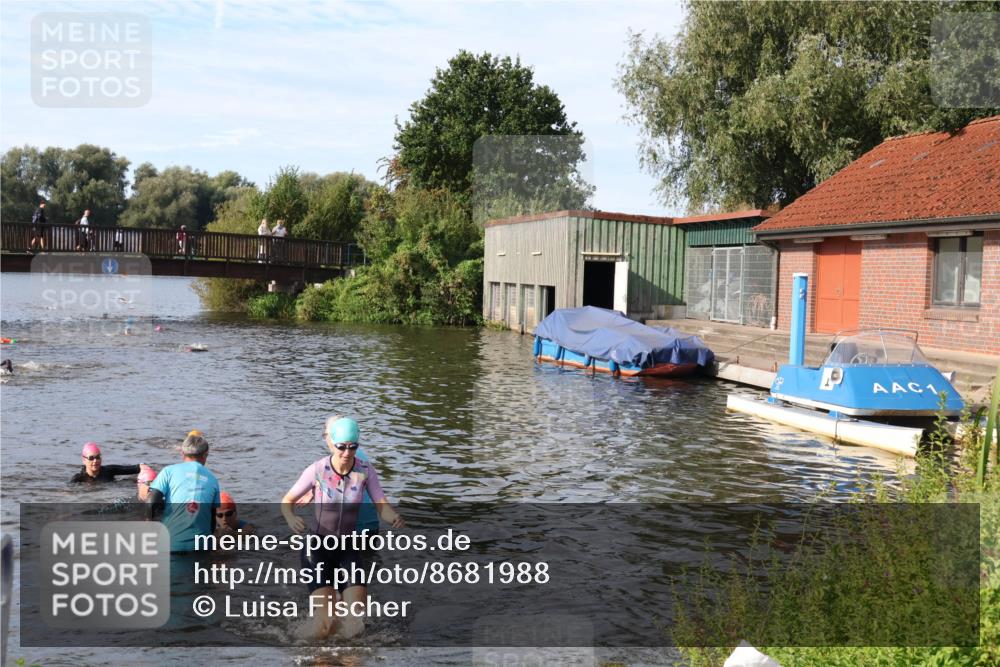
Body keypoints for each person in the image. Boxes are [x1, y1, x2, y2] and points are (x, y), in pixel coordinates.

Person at [281, 416, 404, 640]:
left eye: (353, 447)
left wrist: (391, 516)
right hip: (317, 550)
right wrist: (290, 517)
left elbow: (381, 504)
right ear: (331, 443)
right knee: (326, 626)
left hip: (348, 548)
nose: (347, 453)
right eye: (342, 447)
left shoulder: (365, 470)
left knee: (355, 625)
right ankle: (310, 654)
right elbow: (287, 500)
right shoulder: (317, 470)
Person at [146, 433, 221, 552]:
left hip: (171, 545)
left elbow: (151, 501)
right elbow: (212, 519)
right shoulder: (213, 480)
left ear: (182, 453)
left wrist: (149, 524)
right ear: (205, 455)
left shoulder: (168, 472)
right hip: (201, 548)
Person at [69, 442, 141, 483]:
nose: (95, 461)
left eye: (98, 457)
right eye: (91, 458)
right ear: (84, 460)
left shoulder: (109, 471)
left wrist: (142, 467)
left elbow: (132, 469)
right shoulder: (78, 479)